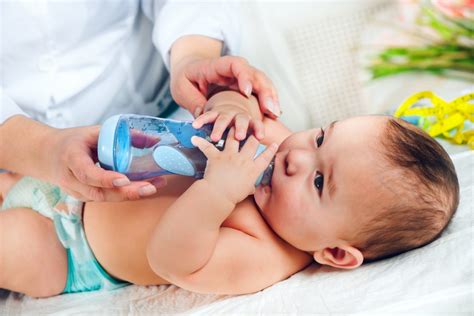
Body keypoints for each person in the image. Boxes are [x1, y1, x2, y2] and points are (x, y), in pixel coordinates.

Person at [0, 89, 459, 298]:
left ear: (336, 253)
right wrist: (230, 107)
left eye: (319, 182)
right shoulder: (280, 149)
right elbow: (239, 110)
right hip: (75, 173)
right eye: (321, 137)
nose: (298, 156)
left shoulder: (265, 254)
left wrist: (218, 194)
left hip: (69, 248)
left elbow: (171, 259)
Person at [0, 1, 280, 202]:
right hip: (18, 152)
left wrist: (194, 57)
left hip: (178, 105)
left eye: (318, 137)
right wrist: (40, 150)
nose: (293, 162)